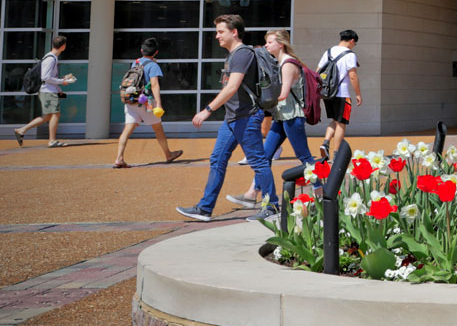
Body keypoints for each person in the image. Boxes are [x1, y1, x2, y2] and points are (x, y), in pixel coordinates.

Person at [176, 14, 276, 223]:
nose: (216, 36)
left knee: (258, 162)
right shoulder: (232, 55)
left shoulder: (242, 54)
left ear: (234, 32)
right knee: (217, 160)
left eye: (221, 32)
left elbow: (232, 87)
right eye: (217, 32)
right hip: (232, 119)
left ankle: (272, 206)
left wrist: (207, 110)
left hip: (246, 117)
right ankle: (205, 208)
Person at [235, 29, 316, 208]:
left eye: (270, 42)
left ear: (281, 44)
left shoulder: (287, 64)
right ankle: (251, 193)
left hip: (292, 117)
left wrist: (260, 100)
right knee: (265, 156)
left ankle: (321, 191)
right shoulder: (280, 63)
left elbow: (283, 93)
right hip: (281, 116)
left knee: (304, 156)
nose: (266, 45)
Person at [113, 37, 181, 168]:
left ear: (141, 50)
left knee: (127, 130)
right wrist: (159, 104)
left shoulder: (135, 63)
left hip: (131, 100)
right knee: (158, 129)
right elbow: (154, 85)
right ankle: (168, 154)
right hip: (146, 102)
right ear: (156, 52)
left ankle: (119, 158)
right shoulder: (153, 66)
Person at [14, 33, 77, 146]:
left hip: (48, 90)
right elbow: (45, 77)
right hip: (47, 91)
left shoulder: (51, 57)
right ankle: (52, 140)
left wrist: (58, 88)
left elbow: (49, 78)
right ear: (63, 46)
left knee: (47, 116)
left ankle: (22, 130)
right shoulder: (51, 59)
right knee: (55, 114)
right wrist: (62, 82)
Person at [318, 29, 362, 152]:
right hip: (342, 93)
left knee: (335, 120)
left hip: (328, 93)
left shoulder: (328, 52)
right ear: (352, 40)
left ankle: (326, 142)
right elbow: (353, 76)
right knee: (341, 123)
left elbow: (318, 71)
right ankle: (337, 153)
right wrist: (358, 94)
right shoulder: (350, 55)